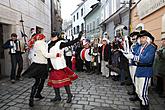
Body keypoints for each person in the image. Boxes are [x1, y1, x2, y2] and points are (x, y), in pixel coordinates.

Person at [47, 31, 83, 103]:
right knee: (54, 82)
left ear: (57, 36)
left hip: (59, 65)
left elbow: (70, 43)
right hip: (52, 65)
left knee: (65, 81)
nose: (52, 37)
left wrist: (78, 38)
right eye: (52, 36)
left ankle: (69, 95)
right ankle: (57, 96)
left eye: (53, 36)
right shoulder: (49, 43)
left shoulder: (60, 43)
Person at [23, 34, 56, 107]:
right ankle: (33, 97)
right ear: (42, 38)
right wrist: (55, 55)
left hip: (36, 64)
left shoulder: (37, 43)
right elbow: (46, 55)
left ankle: (36, 95)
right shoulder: (41, 44)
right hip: (41, 65)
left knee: (38, 81)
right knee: (41, 81)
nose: (45, 38)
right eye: (44, 37)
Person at [133, 30, 156, 110]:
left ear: (147, 38)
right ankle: (141, 107)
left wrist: (135, 58)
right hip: (138, 71)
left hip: (146, 72)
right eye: (140, 38)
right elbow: (134, 52)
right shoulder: (140, 47)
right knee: (138, 91)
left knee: (143, 93)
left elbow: (147, 59)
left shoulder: (151, 47)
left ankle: (145, 108)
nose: (141, 39)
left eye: (143, 37)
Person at [153, 32, 165, 98]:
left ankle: (163, 92)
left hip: (163, 67)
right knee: (159, 79)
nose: (162, 43)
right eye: (162, 41)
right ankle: (158, 89)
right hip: (159, 67)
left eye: (163, 41)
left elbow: (163, 56)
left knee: (163, 81)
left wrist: (160, 54)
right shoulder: (161, 48)